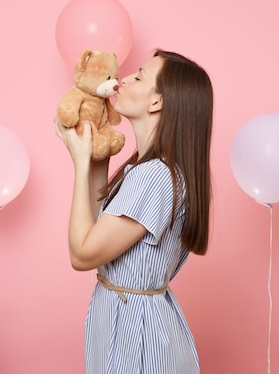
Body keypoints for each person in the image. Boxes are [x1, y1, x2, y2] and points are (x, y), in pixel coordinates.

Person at [54, 49, 213, 374]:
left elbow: (82, 255)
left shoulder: (154, 175)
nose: (123, 80)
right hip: (127, 320)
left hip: (137, 333)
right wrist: (96, 154)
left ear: (157, 102)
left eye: (139, 76)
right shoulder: (146, 169)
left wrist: (80, 165)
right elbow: (98, 233)